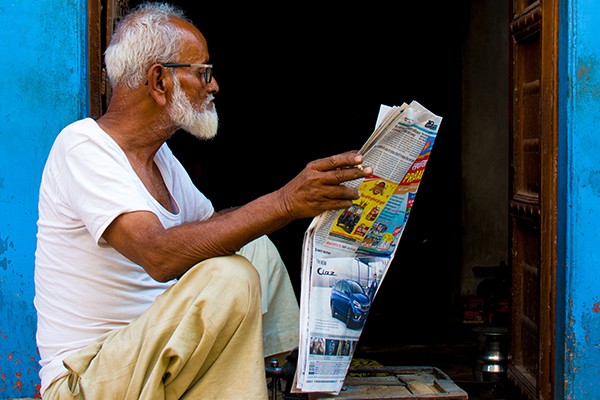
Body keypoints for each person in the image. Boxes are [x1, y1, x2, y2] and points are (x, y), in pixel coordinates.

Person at [33, 2, 372, 399]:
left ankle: (288, 373)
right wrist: (283, 203)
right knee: (230, 276)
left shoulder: (159, 158)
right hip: (92, 377)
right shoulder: (82, 147)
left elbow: (213, 229)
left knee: (253, 248)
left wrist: (300, 204)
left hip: (151, 363)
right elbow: (158, 256)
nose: (213, 86)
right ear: (159, 81)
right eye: (203, 73)